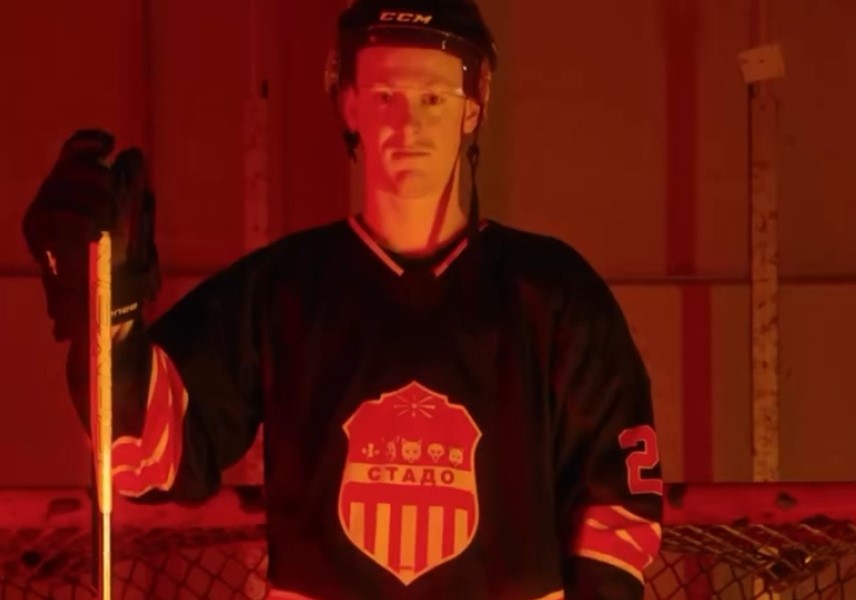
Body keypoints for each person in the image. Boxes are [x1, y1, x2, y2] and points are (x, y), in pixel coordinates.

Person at [22, 1, 663, 598]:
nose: (409, 124)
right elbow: (144, 459)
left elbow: (617, 503)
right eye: (385, 96)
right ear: (349, 103)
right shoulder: (281, 290)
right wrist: (106, 316)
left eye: (433, 97)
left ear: (475, 105)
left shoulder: (555, 296)